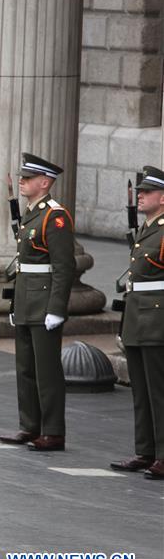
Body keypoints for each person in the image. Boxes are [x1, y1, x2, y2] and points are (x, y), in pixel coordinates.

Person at [0, 153, 75, 450]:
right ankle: (29, 425)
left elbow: (63, 266)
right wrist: (15, 304)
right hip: (26, 299)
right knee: (26, 368)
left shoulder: (54, 216)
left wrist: (57, 308)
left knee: (47, 371)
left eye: (28, 178)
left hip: (43, 301)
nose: (22, 181)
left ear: (44, 182)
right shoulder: (31, 213)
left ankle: (53, 431)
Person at [110, 165, 164, 479]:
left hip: (157, 315)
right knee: (140, 390)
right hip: (137, 313)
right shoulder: (147, 228)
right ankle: (145, 449)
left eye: (147, 192)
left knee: (158, 389)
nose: (140, 196)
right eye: (140, 192)